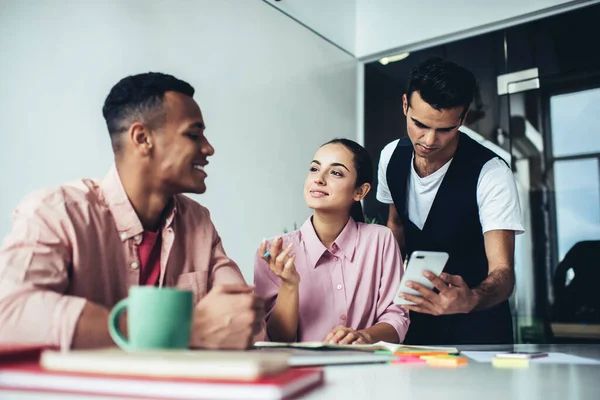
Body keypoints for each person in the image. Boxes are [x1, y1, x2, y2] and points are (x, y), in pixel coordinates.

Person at [0, 72, 263, 350]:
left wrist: (241, 316)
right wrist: (183, 328)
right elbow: (8, 313)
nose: (208, 148)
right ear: (142, 138)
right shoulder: (57, 212)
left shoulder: (198, 222)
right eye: (193, 134)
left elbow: (248, 322)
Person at [377, 57, 524, 344]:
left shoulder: (491, 172)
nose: (429, 140)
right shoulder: (390, 156)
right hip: (413, 321)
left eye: (445, 129)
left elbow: (503, 272)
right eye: (419, 124)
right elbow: (395, 228)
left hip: (480, 330)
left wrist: (471, 298)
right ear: (405, 104)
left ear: (463, 116)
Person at [254, 138, 409, 344]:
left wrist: (365, 336)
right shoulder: (275, 253)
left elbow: (397, 317)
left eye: (336, 172)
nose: (319, 179)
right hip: (302, 372)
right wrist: (289, 285)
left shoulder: (380, 240)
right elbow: (276, 340)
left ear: (360, 191)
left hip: (368, 370)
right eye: (314, 169)